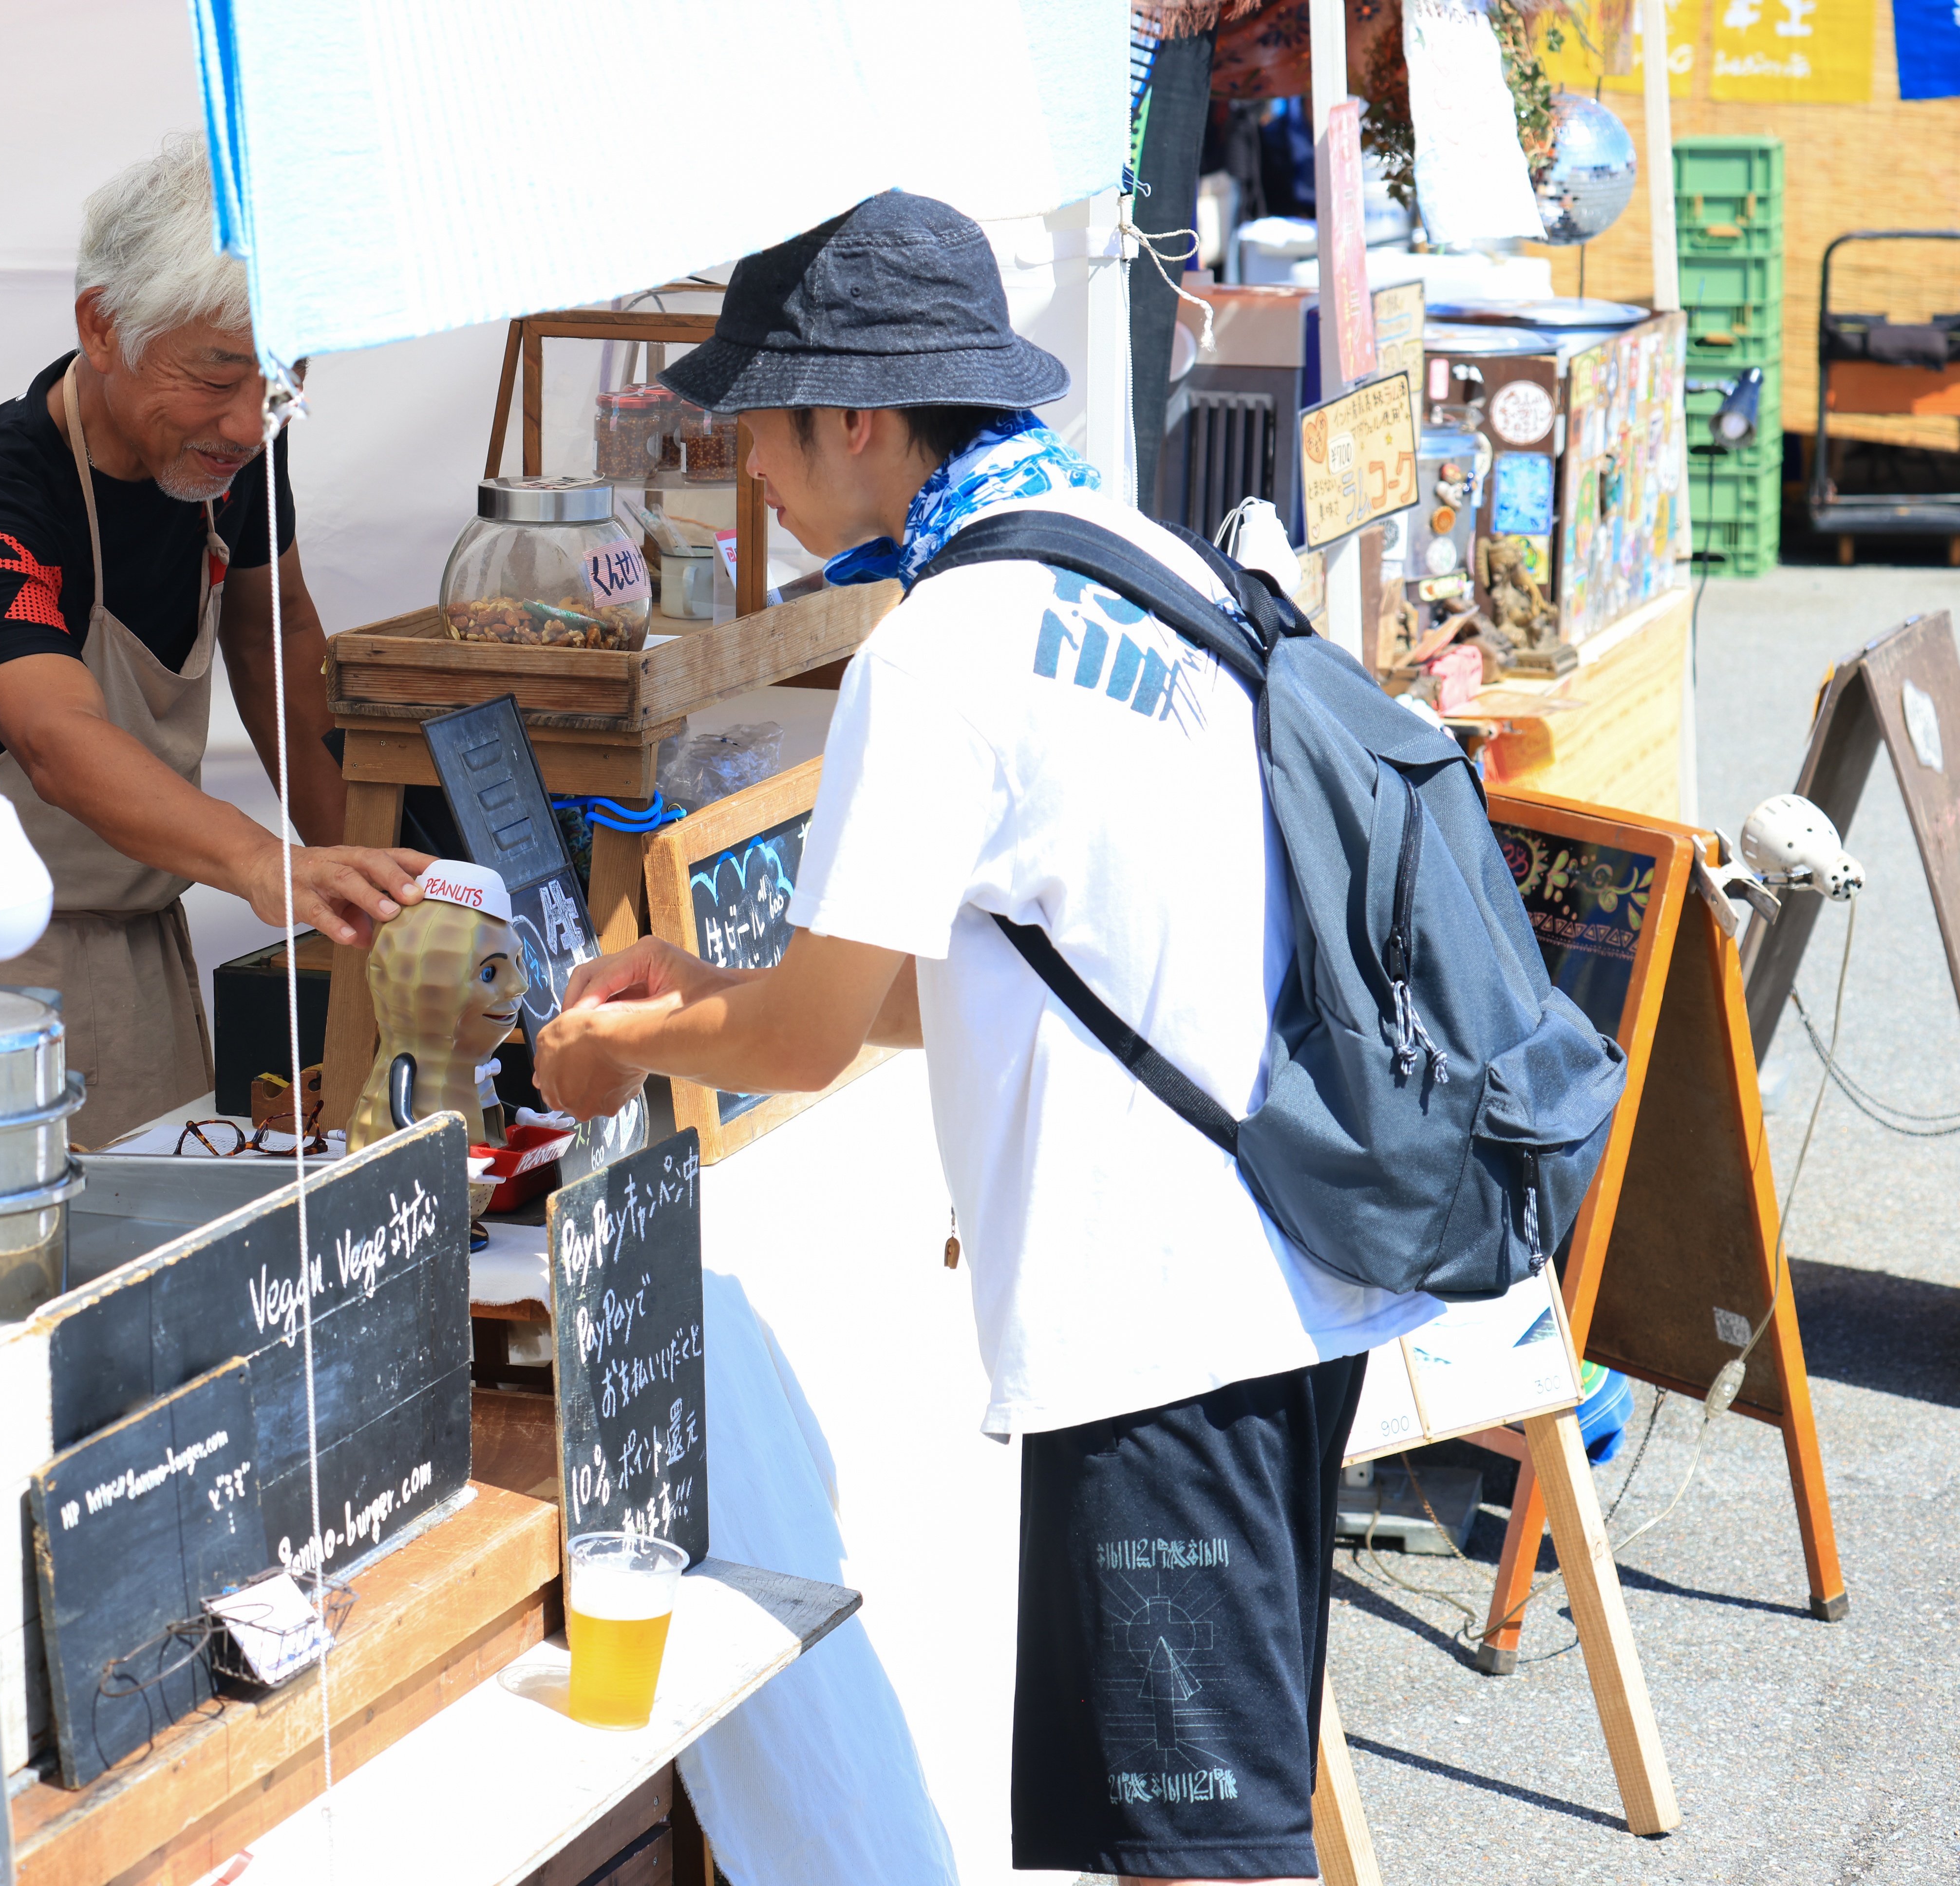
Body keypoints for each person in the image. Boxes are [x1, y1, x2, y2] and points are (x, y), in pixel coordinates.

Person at [532, 192, 1439, 1886]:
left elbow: (800, 1038)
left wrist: (620, 1052)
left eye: (760, 427)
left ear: (854, 415)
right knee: (1191, 1815)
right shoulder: (1139, 557)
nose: (750, 469)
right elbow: (952, 975)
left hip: (1158, 1315)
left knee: (1197, 1849)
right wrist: (690, 987)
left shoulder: (939, 648)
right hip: (1268, 1263)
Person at [0, 137, 423, 1140]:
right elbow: (58, 742)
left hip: (137, 941)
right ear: (102, 328)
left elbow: (273, 636)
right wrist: (262, 862)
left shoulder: (232, 454)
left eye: (280, 381)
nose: (248, 423)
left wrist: (364, 877)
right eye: (217, 375)